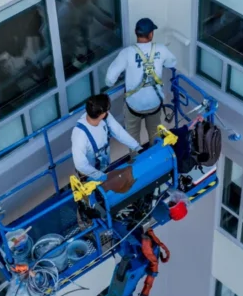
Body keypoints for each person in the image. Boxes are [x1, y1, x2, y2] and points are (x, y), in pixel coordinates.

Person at [106, 18, 178, 147]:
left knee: (132, 141)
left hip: (134, 105)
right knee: (156, 136)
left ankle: (136, 161)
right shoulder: (161, 49)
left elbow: (109, 80)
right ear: (151, 34)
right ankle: (155, 158)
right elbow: (172, 62)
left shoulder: (126, 53)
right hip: (154, 104)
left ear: (135, 32)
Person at [71, 94, 141, 181]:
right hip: (88, 176)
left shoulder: (104, 117)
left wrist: (137, 147)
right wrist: (102, 177)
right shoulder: (80, 135)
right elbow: (80, 165)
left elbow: (119, 132)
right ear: (102, 114)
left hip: (104, 168)